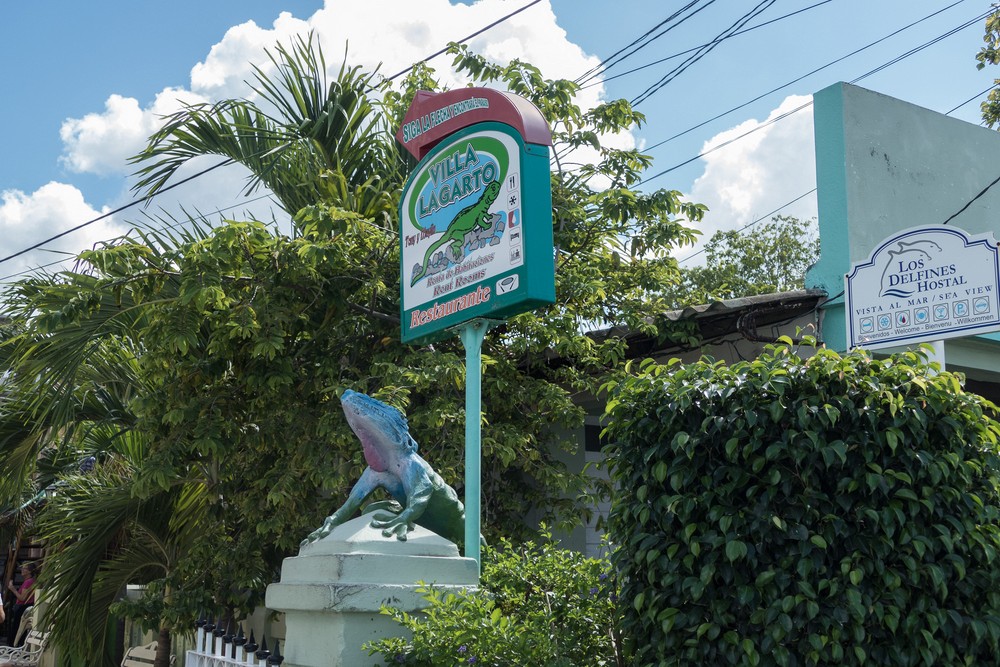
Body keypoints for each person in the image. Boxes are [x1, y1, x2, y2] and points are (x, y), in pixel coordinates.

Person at [6, 563, 35, 648]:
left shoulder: (28, 582)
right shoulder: (29, 581)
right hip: (24, 607)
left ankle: (13, 646)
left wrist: (13, 589)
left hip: (23, 607)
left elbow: (22, 598)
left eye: (25, 568)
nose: (22, 570)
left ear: (29, 571)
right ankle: (17, 645)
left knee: (17, 628)